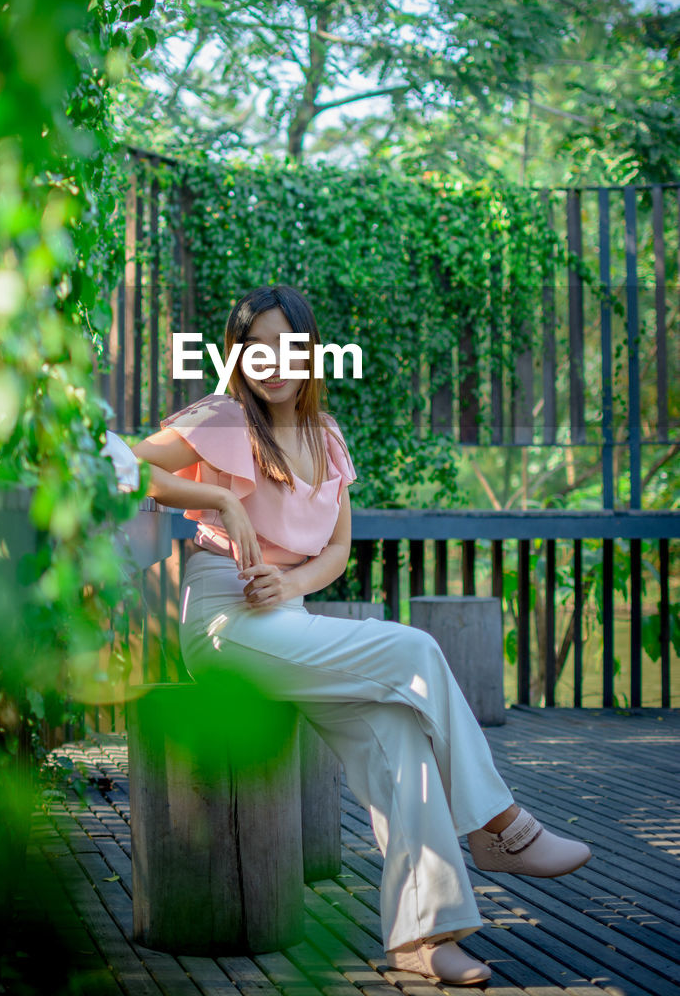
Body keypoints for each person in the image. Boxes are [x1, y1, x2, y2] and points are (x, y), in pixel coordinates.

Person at [131, 284, 590, 987]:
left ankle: (423, 937)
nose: (270, 362)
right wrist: (220, 496)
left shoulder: (328, 437)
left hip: (284, 616)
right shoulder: (222, 416)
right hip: (222, 619)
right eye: (254, 350)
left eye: (285, 347)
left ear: (310, 352)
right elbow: (132, 464)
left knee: (396, 734)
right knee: (414, 649)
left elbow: (336, 551)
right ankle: (501, 825)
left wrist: (290, 584)